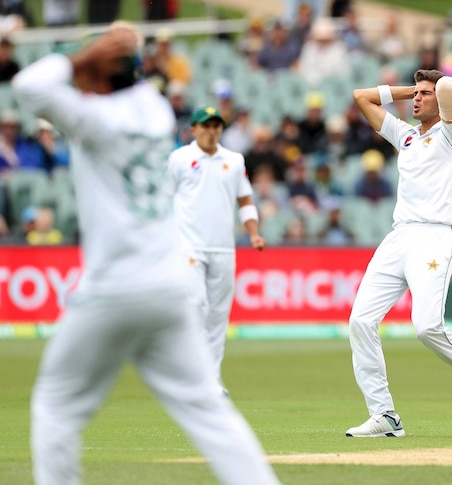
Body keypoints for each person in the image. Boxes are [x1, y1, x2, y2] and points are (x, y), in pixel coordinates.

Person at [12, 24, 281, 485]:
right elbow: (118, 83)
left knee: (55, 403)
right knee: (208, 412)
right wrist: (109, 57)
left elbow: (27, 86)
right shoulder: (155, 110)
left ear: (97, 77)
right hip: (169, 284)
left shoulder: (92, 119)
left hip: (114, 285)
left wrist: (80, 56)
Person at [346, 69, 452, 437]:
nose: (416, 99)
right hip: (399, 236)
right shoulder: (407, 135)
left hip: (435, 237)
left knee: (427, 326)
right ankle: (384, 415)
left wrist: (437, 89)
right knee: (360, 321)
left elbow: (449, 89)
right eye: (414, 94)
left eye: (423, 95)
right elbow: (360, 96)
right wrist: (410, 90)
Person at [168, 106, 266, 395]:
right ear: (193, 130)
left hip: (223, 248)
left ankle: (209, 381)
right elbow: (162, 200)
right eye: (205, 126)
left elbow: (245, 200)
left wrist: (254, 233)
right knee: (195, 305)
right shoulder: (179, 159)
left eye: (216, 126)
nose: (211, 131)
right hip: (188, 247)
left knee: (217, 316)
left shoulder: (234, 161)